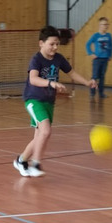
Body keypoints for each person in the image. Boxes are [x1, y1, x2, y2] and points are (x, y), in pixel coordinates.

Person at [13, 26, 97, 178]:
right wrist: (51, 83)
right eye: (51, 44)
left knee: (39, 136)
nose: (55, 47)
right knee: (46, 131)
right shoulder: (36, 59)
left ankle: (21, 160)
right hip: (34, 100)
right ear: (41, 43)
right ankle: (35, 164)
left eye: (57, 44)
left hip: (49, 102)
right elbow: (33, 79)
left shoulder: (59, 59)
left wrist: (86, 82)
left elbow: (72, 73)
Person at [85, 17, 112, 100]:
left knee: (102, 76)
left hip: (105, 59)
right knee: (95, 76)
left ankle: (101, 93)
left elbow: (111, 46)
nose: (106, 26)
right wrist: (91, 53)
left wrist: (110, 55)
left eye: (107, 24)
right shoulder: (95, 36)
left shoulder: (109, 36)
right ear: (100, 25)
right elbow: (87, 44)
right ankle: (92, 92)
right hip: (97, 59)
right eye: (104, 24)